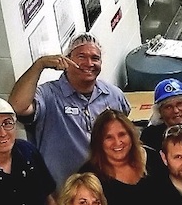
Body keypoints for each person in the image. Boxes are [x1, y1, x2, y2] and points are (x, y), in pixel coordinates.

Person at [9, 33, 129, 186]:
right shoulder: (48, 95)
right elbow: (17, 106)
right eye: (81, 56)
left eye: (95, 58)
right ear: (67, 60)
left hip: (107, 189)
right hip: (63, 196)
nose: (89, 63)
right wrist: (39, 65)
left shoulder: (113, 95)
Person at [79, 109, 160, 205]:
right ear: (99, 142)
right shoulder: (89, 176)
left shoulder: (153, 158)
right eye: (108, 137)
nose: (117, 142)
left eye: (122, 134)